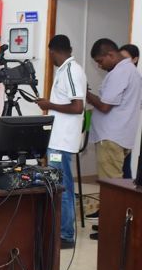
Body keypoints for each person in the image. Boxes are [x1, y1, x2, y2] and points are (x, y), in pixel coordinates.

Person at [35, 35, 87, 249]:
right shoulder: (64, 70)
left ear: (53, 52)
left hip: (62, 143)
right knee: (59, 186)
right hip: (57, 140)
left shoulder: (72, 70)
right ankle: (60, 230)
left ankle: (66, 235)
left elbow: (77, 107)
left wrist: (49, 105)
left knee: (62, 188)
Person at [86, 38, 142, 228]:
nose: (99, 66)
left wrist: (86, 94)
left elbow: (105, 106)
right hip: (121, 136)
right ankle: (114, 228)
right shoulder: (131, 71)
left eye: (100, 61)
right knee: (118, 186)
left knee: (112, 189)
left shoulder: (120, 72)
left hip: (110, 138)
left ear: (110, 55)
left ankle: (112, 231)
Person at [119, 43, 139, 178]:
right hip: (120, 132)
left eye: (125, 58)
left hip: (124, 130)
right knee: (124, 168)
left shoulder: (135, 78)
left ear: (135, 59)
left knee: (124, 169)